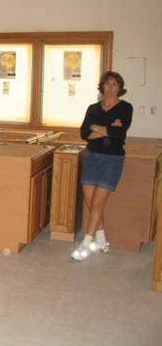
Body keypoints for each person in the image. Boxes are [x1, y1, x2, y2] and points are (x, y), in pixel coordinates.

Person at [71, 71, 133, 261]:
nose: (111, 88)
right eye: (108, 84)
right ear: (102, 87)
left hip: (112, 160)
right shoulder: (93, 108)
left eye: (115, 84)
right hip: (91, 157)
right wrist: (107, 129)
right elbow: (84, 134)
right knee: (91, 203)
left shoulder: (125, 108)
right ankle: (102, 240)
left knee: (97, 203)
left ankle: (85, 244)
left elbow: (119, 133)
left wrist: (95, 128)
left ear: (120, 89)